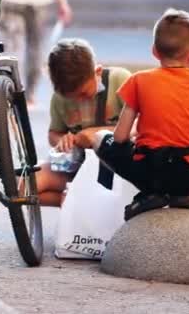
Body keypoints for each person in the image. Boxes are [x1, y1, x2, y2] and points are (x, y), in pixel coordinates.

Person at [87, 9, 189, 221]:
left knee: (100, 138)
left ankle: (151, 193)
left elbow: (120, 137)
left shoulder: (138, 81)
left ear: (154, 51)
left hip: (149, 172)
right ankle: (181, 196)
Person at [36, 38, 131, 207]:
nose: (79, 101)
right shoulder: (58, 99)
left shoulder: (120, 80)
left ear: (98, 72)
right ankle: (76, 205)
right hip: (79, 168)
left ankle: (82, 203)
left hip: (119, 170)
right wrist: (63, 140)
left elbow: (142, 124)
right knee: (23, 185)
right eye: (71, 98)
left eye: (84, 94)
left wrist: (96, 133)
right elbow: (54, 133)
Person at [0, 0, 73, 107]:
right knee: (34, 47)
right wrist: (63, 2)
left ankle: (8, 90)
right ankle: (29, 95)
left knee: (11, 46)